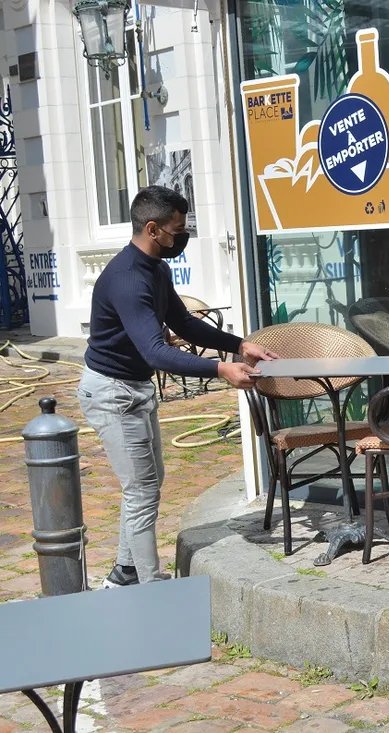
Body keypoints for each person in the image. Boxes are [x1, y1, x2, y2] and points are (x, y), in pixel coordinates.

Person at [79, 186, 277, 587]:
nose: (181, 237)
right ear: (152, 229)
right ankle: (151, 588)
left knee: (148, 484)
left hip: (134, 388)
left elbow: (183, 323)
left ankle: (125, 572)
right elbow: (156, 352)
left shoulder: (156, 269)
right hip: (112, 393)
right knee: (141, 491)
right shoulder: (127, 279)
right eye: (177, 230)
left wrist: (239, 344)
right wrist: (221, 369)